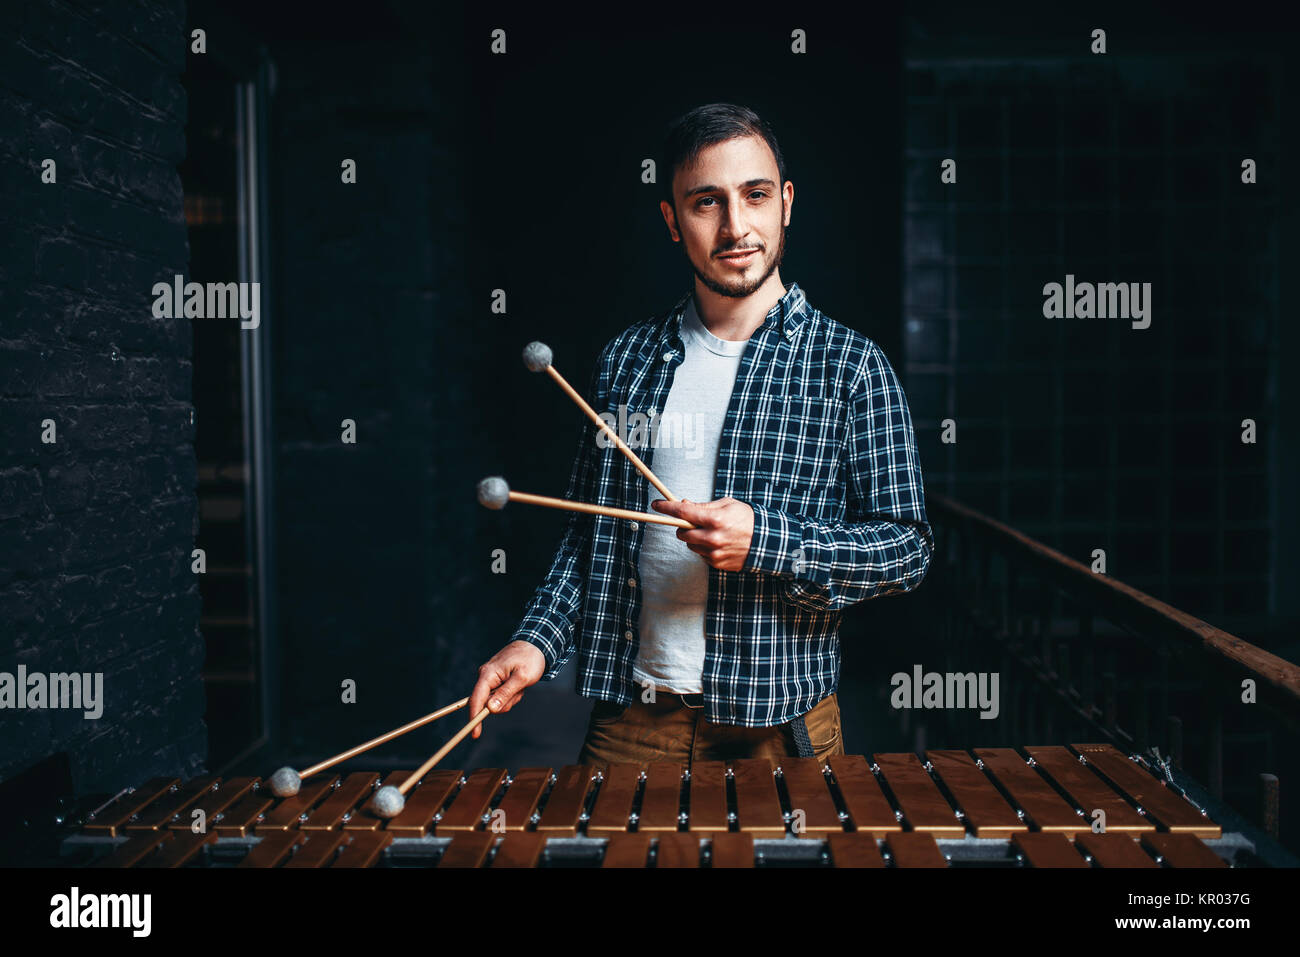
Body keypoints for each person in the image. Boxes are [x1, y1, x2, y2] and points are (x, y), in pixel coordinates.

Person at [469, 103, 933, 766]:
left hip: (782, 726)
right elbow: (588, 536)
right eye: (706, 202)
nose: (736, 225)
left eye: (755, 195)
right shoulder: (624, 362)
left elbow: (907, 549)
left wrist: (768, 542)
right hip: (633, 720)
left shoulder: (852, 366)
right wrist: (534, 642)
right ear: (672, 220)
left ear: (786, 204)